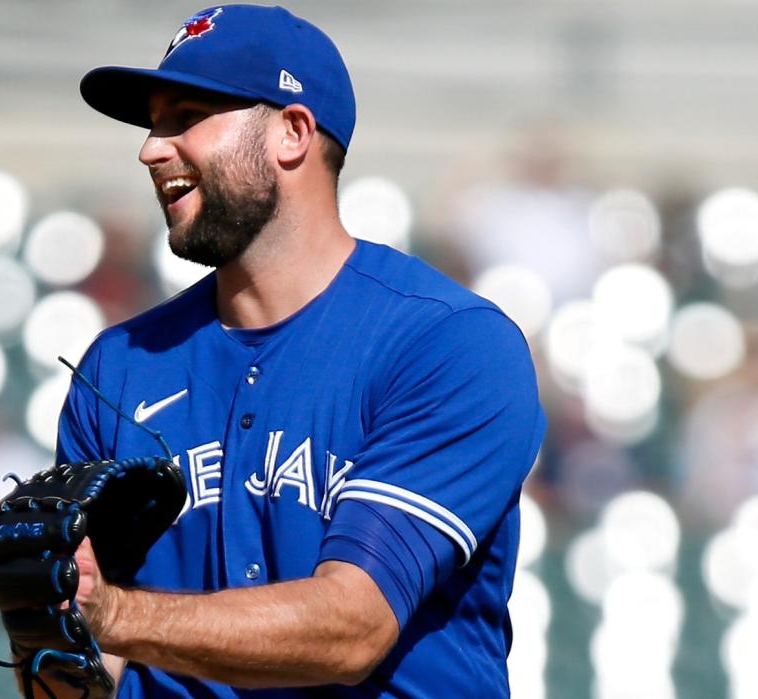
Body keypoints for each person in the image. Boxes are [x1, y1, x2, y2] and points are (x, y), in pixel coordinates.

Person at [43, 5, 545, 697]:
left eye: (186, 115)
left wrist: (115, 615)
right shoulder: (119, 366)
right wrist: (47, 630)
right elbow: (91, 668)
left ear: (292, 132)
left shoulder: (448, 345)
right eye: (154, 123)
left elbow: (353, 627)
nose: (151, 149)